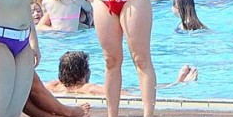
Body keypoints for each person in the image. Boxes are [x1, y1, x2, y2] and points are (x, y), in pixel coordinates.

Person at [45, 51, 197, 95]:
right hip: (113, 91)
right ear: (85, 73)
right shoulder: (89, 88)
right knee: (140, 89)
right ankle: (178, 82)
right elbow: (123, 94)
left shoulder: (55, 86)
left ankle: (178, 81)